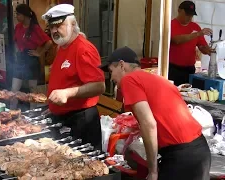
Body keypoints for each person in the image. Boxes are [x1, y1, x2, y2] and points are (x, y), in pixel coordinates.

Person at [100, 46, 211, 180]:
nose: (111, 78)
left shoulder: (130, 80)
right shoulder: (154, 79)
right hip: (199, 150)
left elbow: (149, 123)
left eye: (111, 71)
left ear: (122, 65)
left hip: (182, 155)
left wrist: (152, 171)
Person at [41, 4, 105, 148]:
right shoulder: (62, 46)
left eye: (60, 25)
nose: (54, 30)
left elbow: (99, 86)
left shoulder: (83, 49)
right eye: (52, 27)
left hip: (81, 121)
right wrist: (54, 107)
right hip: (64, 118)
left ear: (73, 24)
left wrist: (67, 93)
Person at [11, 4, 52, 109]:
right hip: (20, 59)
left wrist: (39, 53)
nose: (16, 16)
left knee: (32, 89)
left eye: (18, 14)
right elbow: (15, 41)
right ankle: (11, 111)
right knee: (14, 89)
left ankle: (32, 112)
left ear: (25, 15)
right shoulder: (18, 27)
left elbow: (49, 42)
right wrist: (17, 51)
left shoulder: (35, 28)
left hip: (31, 60)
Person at [169, 0, 212, 86]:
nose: (189, 17)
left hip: (190, 69)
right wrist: (197, 34)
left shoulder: (195, 26)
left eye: (191, 15)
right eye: (187, 14)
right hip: (174, 69)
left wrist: (211, 52)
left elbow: (202, 46)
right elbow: (176, 40)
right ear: (179, 10)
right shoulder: (171, 24)